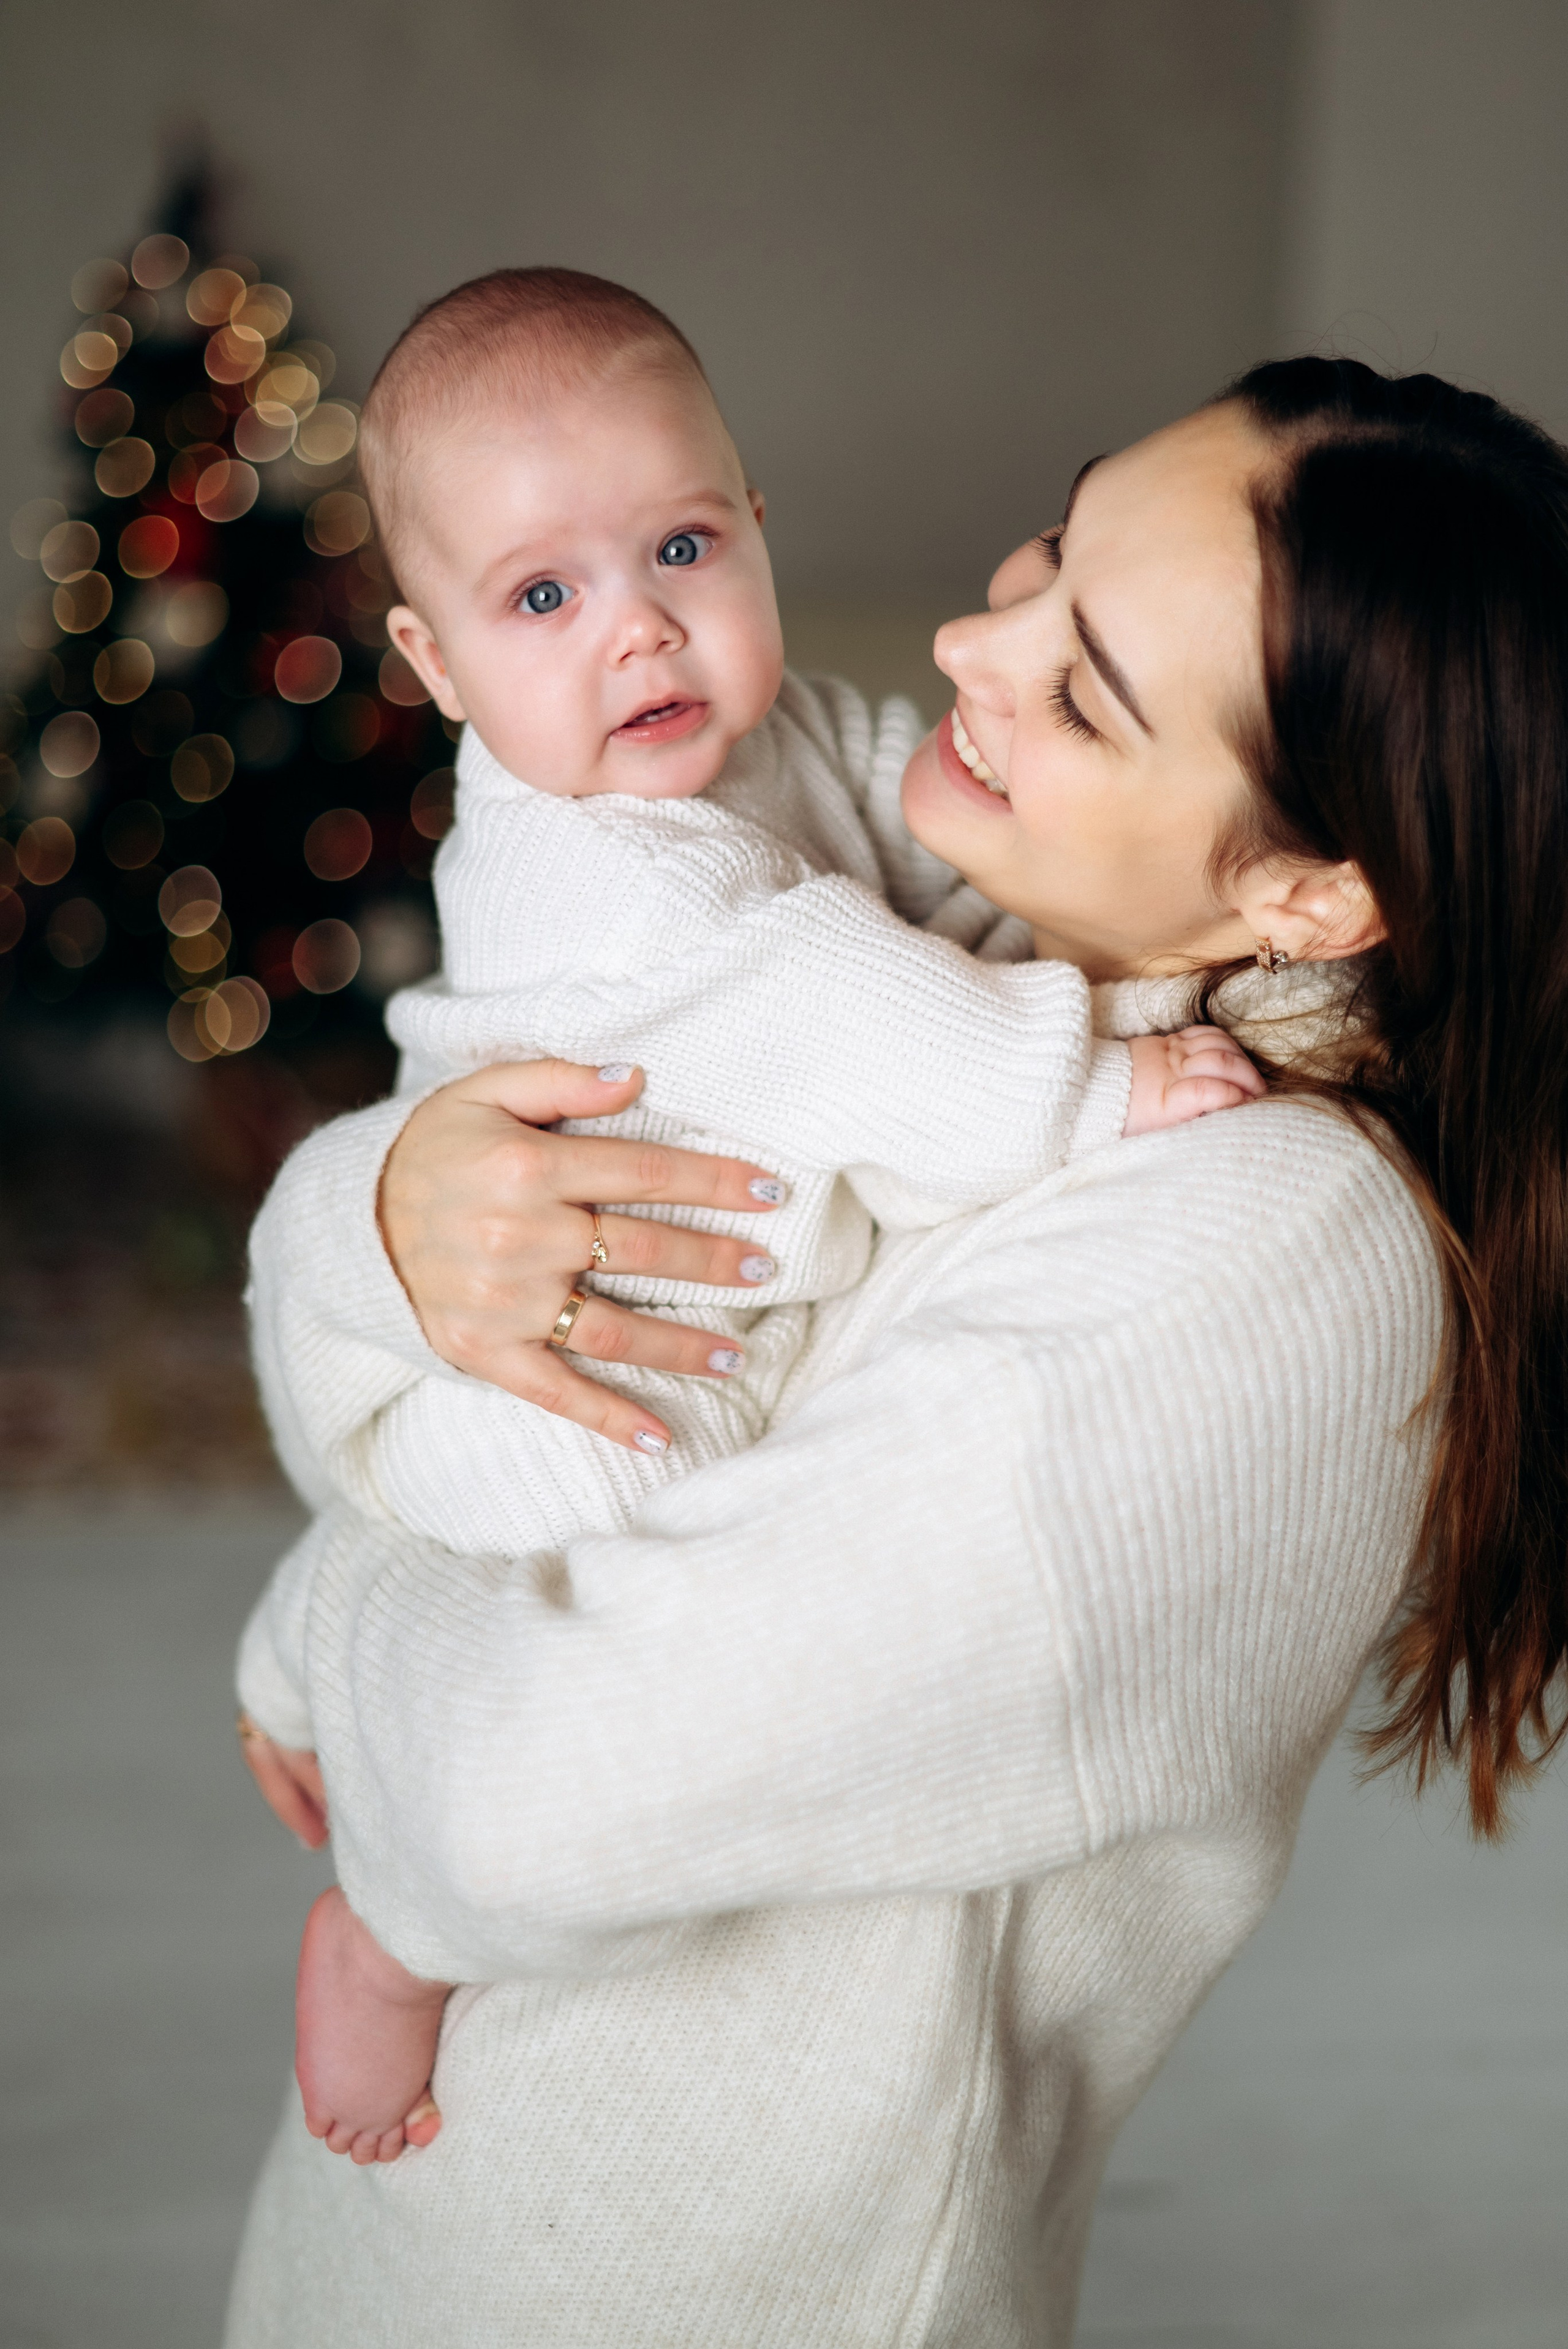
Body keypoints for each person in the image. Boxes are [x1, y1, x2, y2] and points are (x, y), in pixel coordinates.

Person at [228, 358, 1568, 2349]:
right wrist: (384, 1217)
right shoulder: (991, 944)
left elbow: (519, 1790)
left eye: (1085, 686)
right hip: (437, 2221)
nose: (968, 640)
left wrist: (330, 1617)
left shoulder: (1261, 1258)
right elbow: (368, 1380)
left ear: (1312, 887)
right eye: (1047, 548)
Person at [263, 263, 1262, 2162]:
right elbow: (856, 1010)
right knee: (573, 1629)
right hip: (588, 1366)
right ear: (435, 664)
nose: (639, 627)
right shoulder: (620, 876)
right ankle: (385, 1929)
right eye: (542, 598)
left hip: (644, 1293)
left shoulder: (766, 729)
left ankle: (310, 1630)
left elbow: (910, 818)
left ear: (756, 529)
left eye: (683, 547)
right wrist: (1102, 1077)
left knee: (550, 1577)